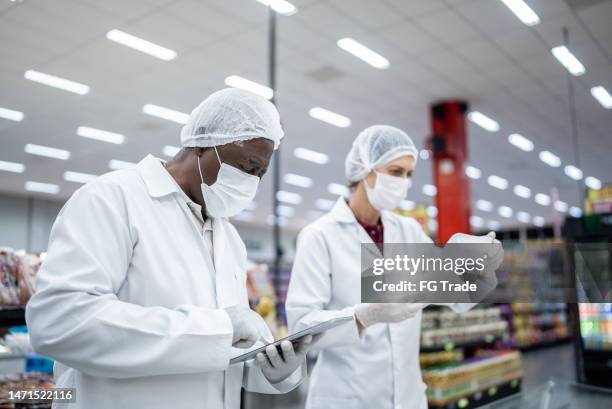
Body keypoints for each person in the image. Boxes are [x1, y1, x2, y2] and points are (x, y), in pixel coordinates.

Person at [26, 88, 311, 409]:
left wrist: (272, 367)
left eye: (260, 174)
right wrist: (216, 330)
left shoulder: (229, 237)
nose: (252, 182)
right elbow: (60, 322)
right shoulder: (112, 199)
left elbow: (224, 354)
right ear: (203, 144)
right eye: (247, 167)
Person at [285, 125, 502, 409]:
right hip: (348, 397)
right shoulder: (320, 236)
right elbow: (301, 327)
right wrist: (363, 316)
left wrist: (478, 268)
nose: (404, 182)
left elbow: (455, 297)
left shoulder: (408, 231)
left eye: (409, 174)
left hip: (408, 396)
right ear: (365, 169)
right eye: (396, 172)